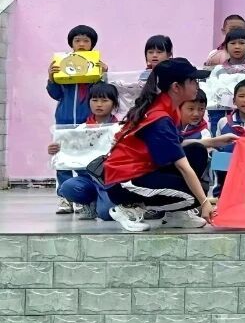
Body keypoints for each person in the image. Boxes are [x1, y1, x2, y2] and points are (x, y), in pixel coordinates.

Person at [102, 59, 234, 231]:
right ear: (176, 87)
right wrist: (204, 203)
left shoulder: (168, 107)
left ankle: (176, 216)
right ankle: (127, 208)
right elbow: (183, 166)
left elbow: (177, 145)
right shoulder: (160, 118)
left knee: (197, 151)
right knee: (193, 197)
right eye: (192, 81)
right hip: (123, 182)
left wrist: (214, 141)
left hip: (143, 171)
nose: (197, 85)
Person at [48, 24, 105, 214]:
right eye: (77, 40)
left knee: (85, 159)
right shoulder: (63, 65)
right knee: (62, 160)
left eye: (86, 41)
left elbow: (103, 94)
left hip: (87, 122)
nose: (81, 44)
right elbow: (56, 94)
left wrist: (104, 74)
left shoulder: (95, 66)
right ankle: (65, 198)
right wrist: (52, 78)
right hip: (63, 121)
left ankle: (82, 197)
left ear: (92, 45)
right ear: (71, 44)